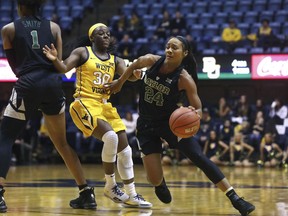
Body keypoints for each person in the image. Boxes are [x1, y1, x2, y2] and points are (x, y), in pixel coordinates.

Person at [106, 35, 255, 216]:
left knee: (198, 157)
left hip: (171, 124)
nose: (169, 50)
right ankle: (160, 184)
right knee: (153, 178)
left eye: (174, 48)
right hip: (146, 124)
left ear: (184, 53)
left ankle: (235, 198)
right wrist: (120, 82)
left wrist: (194, 113)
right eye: (168, 46)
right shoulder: (151, 61)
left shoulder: (184, 78)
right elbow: (134, 65)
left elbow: (199, 108)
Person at [0, 0, 96, 213]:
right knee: (61, 143)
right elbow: (58, 62)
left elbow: (16, 66)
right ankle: (86, 192)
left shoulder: (8, 29)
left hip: (28, 82)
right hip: (53, 84)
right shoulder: (54, 27)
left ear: (20, 7)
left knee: (5, 137)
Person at [43, 23, 152, 208]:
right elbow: (63, 67)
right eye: (101, 34)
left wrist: (137, 73)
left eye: (108, 34)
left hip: (104, 106)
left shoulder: (115, 60)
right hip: (84, 103)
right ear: (92, 37)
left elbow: (130, 76)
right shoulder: (82, 52)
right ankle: (110, 186)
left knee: (125, 149)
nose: (106, 36)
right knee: (110, 137)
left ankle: (132, 194)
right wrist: (55, 59)